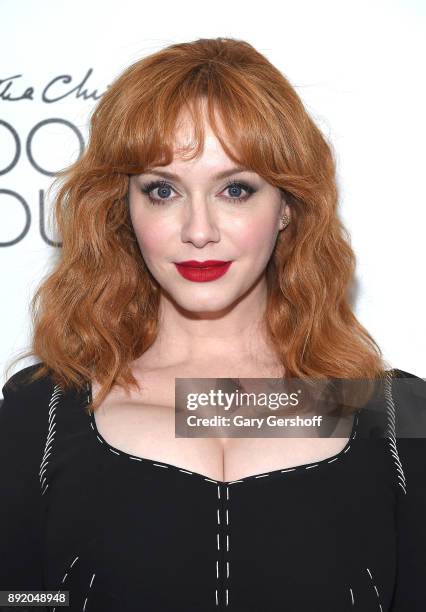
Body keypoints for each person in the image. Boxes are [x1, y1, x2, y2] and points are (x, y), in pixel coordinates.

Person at [1, 37, 425, 612]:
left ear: (287, 209)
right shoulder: (40, 411)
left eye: (235, 189)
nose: (199, 229)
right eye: (162, 190)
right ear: (123, 210)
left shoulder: (396, 415)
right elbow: (18, 597)